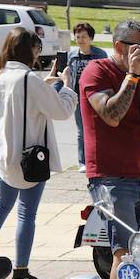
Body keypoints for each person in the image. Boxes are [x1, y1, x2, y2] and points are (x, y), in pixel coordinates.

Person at [0, 28, 77, 279]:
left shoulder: (0, 76)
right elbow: (60, 110)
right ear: (29, 50)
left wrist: (49, 84)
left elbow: (28, 101)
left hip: (6, 151)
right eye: (37, 49)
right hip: (30, 158)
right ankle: (21, 271)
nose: (39, 53)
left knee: (2, 205)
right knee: (27, 213)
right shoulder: (29, 79)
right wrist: (67, 85)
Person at [82, 20, 140, 279]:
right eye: (139, 47)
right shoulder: (96, 71)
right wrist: (132, 76)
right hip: (109, 178)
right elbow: (111, 115)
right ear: (119, 47)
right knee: (125, 253)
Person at [61, 22, 106, 170]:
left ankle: (98, 159)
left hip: (96, 97)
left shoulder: (100, 55)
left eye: (84, 36)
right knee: (82, 131)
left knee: (98, 129)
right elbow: (65, 75)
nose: (80, 39)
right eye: (78, 36)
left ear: (91, 38)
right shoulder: (72, 56)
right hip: (78, 98)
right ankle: (83, 162)